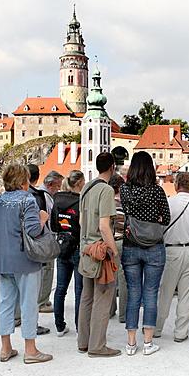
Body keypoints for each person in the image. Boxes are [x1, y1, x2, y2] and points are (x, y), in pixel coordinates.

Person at [0, 163, 52, 364]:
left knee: (6, 303)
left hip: (2, 259)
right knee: (28, 304)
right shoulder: (28, 200)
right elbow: (34, 230)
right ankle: (30, 350)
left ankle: (5, 348)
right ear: (22, 180)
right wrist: (43, 218)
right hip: (25, 259)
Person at [120, 151, 171, 356]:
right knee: (150, 293)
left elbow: (125, 212)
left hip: (131, 245)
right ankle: (148, 342)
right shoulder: (157, 191)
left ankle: (131, 343)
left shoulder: (124, 190)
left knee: (133, 293)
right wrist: (155, 218)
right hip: (154, 246)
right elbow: (165, 218)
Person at [77, 152, 121, 358]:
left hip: (85, 249)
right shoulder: (106, 190)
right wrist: (113, 250)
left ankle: (83, 341)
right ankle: (97, 345)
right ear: (112, 166)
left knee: (86, 298)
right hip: (99, 251)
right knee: (103, 298)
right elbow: (104, 227)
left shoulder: (86, 187)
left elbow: (80, 222)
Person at [154, 172, 189, 342]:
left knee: (165, 292)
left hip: (171, 250)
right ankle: (181, 332)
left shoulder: (168, 203)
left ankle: (157, 328)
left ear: (176, 185)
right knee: (187, 294)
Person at [51, 170, 85, 337]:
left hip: (62, 245)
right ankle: (80, 327)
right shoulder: (81, 201)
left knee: (60, 288)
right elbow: (83, 226)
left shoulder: (56, 199)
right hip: (78, 246)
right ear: (79, 183)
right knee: (79, 290)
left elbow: (53, 225)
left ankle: (59, 325)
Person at [28, 166, 64, 314]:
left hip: (40, 237)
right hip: (45, 238)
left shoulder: (38, 194)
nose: (59, 189)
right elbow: (47, 218)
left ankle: (42, 299)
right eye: (58, 186)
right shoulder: (44, 196)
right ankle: (42, 302)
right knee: (47, 270)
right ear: (50, 185)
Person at [108, 173, 127, 322]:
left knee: (110, 277)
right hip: (121, 242)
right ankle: (124, 314)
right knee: (123, 278)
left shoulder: (106, 203)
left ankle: (110, 309)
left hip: (108, 242)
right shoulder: (123, 204)